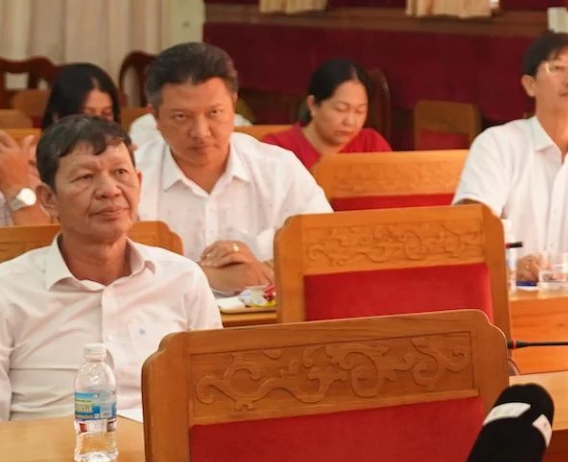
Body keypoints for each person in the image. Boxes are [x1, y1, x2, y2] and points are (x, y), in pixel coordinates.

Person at [0, 115, 220, 422]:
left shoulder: (183, 280)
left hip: (163, 451)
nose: (110, 190)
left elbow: (212, 401)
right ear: (48, 199)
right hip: (47, 451)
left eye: (120, 173)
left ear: (139, 183)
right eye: (85, 177)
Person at [134, 42, 330, 294]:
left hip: (265, 317)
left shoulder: (278, 169)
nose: (201, 132)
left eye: (214, 113)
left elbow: (326, 251)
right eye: (181, 116)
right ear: (155, 117)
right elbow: (113, 274)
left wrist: (262, 270)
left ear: (233, 104)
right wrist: (205, 276)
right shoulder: (130, 178)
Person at [453, 33, 568, 274]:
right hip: (511, 292)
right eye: (557, 68)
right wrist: (511, 267)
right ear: (530, 84)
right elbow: (471, 230)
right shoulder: (497, 145)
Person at [0, 63, 121, 227]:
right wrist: (18, 188)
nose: (96, 127)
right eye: (85, 116)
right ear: (57, 116)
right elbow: (42, 240)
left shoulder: (121, 167)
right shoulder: (16, 172)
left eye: (106, 114)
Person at [260, 59, 393, 169]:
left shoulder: (372, 146)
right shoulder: (277, 149)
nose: (350, 121)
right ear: (313, 104)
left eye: (360, 111)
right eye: (341, 109)